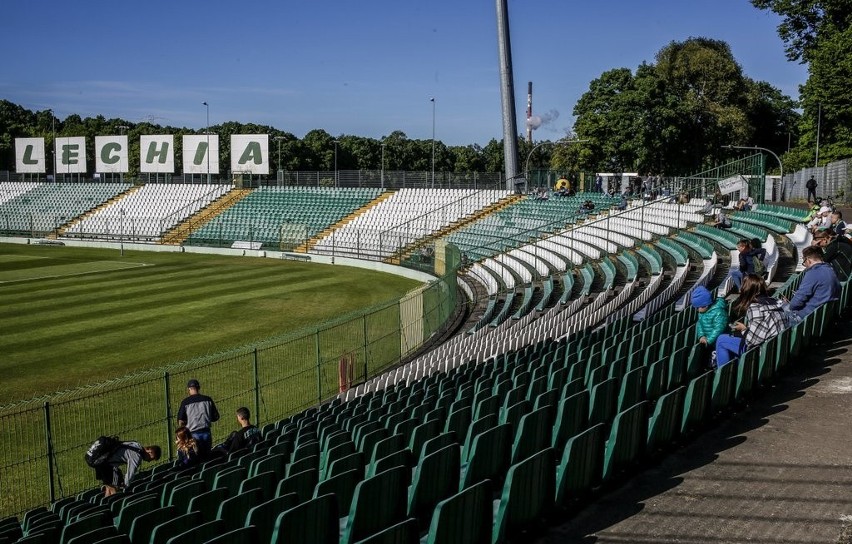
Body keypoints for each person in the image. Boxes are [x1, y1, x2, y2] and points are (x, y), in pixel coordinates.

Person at [714, 274, 786, 368]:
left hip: (762, 354)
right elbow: (765, 328)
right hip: (776, 350)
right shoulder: (777, 303)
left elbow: (751, 341)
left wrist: (743, 330)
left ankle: (723, 376)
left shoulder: (755, 308)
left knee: (721, 340)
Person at [788, 246, 840, 319]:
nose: (805, 265)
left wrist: (789, 305)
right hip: (823, 316)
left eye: (804, 261)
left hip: (806, 317)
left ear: (808, 260)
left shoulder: (813, 273)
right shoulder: (831, 269)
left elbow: (797, 302)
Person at [95, 441, 161, 496]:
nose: (149, 461)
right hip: (106, 464)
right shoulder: (137, 456)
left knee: (109, 487)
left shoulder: (136, 444)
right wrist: (125, 485)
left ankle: (107, 504)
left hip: (99, 461)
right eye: (150, 458)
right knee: (115, 488)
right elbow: (131, 473)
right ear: (149, 451)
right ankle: (114, 507)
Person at [176, 379, 220, 458]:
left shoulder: (185, 402)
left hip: (193, 435)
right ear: (198, 388)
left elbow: (180, 421)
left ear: (189, 389)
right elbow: (216, 417)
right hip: (206, 432)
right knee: (207, 457)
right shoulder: (208, 399)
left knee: (196, 458)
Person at [692, 286, 729, 350]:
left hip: (718, 342)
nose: (697, 310)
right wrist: (701, 336)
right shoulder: (701, 313)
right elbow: (700, 324)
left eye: (698, 307)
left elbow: (718, 329)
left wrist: (709, 340)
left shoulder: (719, 312)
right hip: (707, 341)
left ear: (705, 306)